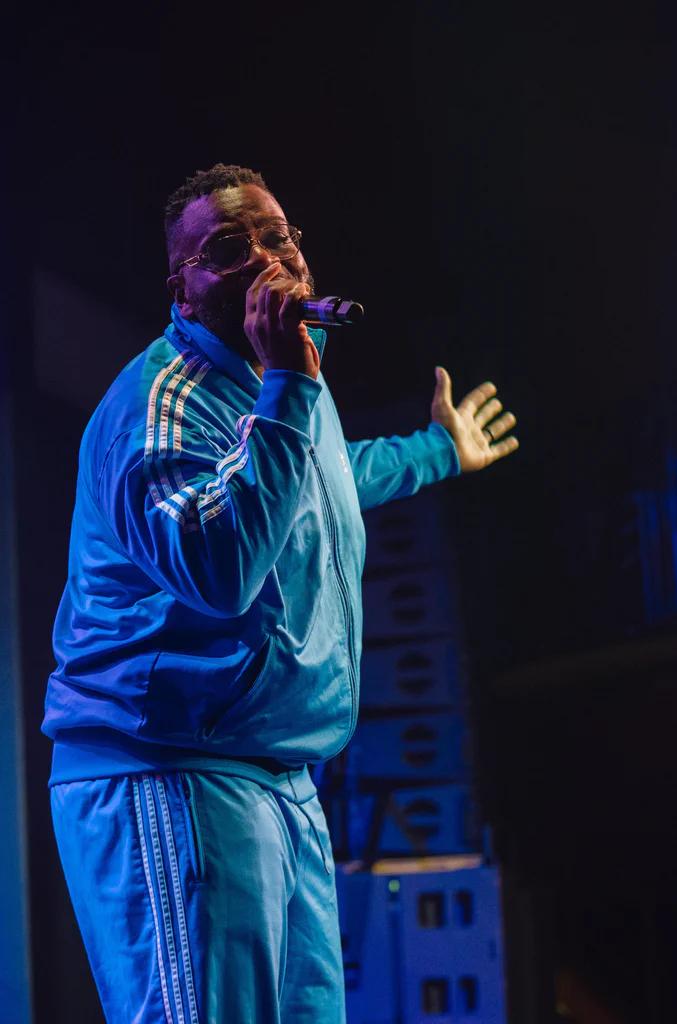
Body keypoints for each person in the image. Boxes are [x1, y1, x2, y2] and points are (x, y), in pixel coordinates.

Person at [42, 163, 518, 1024]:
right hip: (169, 770)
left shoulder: (280, 388)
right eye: (227, 247)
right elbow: (218, 568)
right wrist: (290, 385)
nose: (267, 254)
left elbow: (326, 481)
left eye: (278, 234)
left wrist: (436, 451)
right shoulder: (165, 406)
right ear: (182, 291)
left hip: (274, 773)